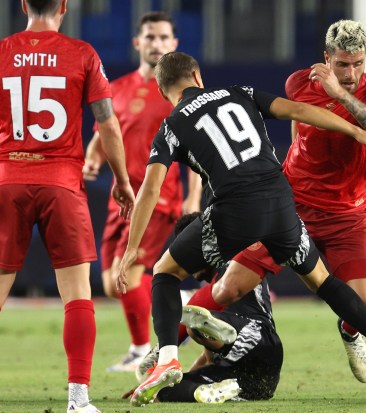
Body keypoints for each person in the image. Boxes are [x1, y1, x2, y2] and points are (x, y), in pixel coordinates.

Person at [116, 51, 366, 406]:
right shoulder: (240, 92)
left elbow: (150, 190)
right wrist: (358, 131)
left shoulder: (171, 125)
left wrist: (131, 250)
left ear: (162, 91)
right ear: (198, 76)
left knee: (164, 273)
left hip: (234, 209)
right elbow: (301, 111)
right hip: (282, 203)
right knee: (324, 282)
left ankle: (167, 357)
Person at [218, 19, 366, 384]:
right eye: (343, 64)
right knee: (227, 289)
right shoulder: (299, 82)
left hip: (348, 215)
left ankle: (349, 332)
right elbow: (297, 123)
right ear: (327, 58)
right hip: (292, 206)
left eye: (358, 64)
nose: (351, 73)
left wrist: (340, 93)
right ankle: (175, 358)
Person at [0, 1, 135, 412]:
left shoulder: (3, 51)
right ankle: (78, 399)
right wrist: (123, 180)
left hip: (8, 180)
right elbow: (108, 123)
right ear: (64, 7)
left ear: (23, 5)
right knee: (77, 297)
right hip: (62, 183)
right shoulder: (82, 54)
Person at [83, 11, 202, 373]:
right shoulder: (115, 89)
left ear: (175, 44)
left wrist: (192, 197)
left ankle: (142, 349)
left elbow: (195, 147)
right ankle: (180, 297)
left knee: (128, 276)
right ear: (138, 43)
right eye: (150, 37)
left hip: (159, 197)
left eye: (164, 38)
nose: (157, 44)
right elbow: (105, 132)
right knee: (109, 282)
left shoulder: (175, 93)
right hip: (122, 197)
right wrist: (92, 158)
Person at [127, 212, 283, 403]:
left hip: (253, 335)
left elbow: (185, 323)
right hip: (263, 370)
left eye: (186, 251)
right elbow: (207, 359)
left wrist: (156, 360)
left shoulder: (231, 273)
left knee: (195, 322)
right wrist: (158, 384)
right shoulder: (239, 269)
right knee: (165, 392)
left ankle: (200, 339)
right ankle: (206, 390)